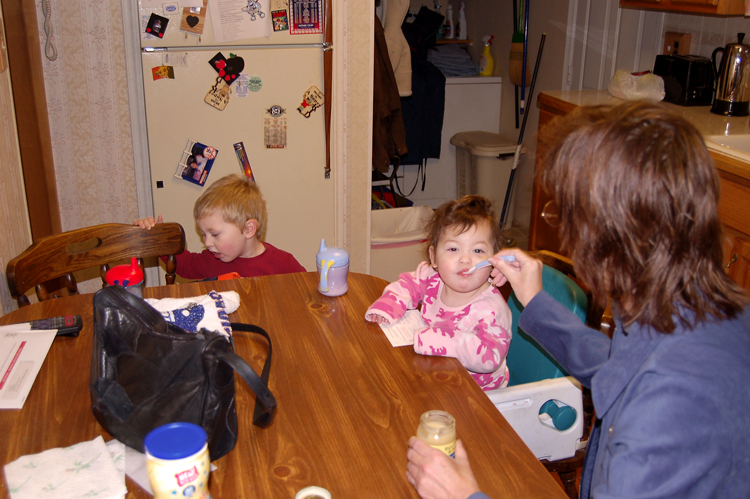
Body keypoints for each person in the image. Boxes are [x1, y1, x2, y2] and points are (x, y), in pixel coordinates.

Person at [406, 102, 750, 499]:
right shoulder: (681, 305)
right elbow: (618, 367)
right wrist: (533, 300)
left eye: (568, 218)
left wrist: (465, 496)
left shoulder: (673, 404)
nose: (568, 237)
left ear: (609, 237)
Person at [365, 195, 512, 390]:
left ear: (493, 259)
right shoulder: (432, 276)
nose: (465, 260)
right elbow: (409, 284)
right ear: (433, 257)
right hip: (434, 373)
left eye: (477, 251)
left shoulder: (492, 310)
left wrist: (439, 339)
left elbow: (489, 356)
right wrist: (389, 306)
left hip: (478, 394)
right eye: (453, 249)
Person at [135, 174, 306, 279]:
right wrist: (157, 238)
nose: (207, 243)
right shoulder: (212, 259)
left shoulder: (284, 265)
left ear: (248, 229)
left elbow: (306, 292)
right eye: (203, 234)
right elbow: (184, 265)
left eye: (215, 234)